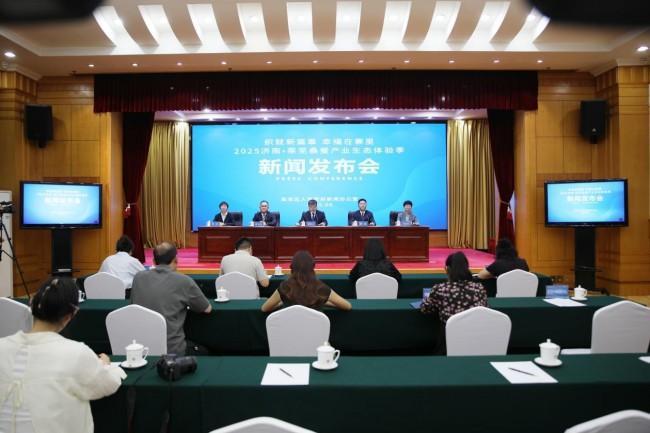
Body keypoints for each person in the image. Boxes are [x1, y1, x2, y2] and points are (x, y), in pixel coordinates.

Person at [0, 277, 124, 433]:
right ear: (70, 315)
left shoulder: (2, 346)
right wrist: (105, 365)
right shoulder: (75, 353)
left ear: (32, 304)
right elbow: (107, 384)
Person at [130, 242, 212, 355]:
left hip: (139, 348)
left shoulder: (138, 278)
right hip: (172, 350)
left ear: (153, 261)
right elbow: (207, 309)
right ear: (176, 260)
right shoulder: (184, 280)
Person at [261, 251, 351, 312]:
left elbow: (264, 308)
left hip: (289, 332)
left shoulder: (284, 287)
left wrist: (282, 303)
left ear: (292, 267)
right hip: (315, 333)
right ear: (312, 267)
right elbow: (347, 306)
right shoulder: (321, 287)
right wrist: (324, 301)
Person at [420, 252, 487, 322]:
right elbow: (485, 308)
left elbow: (425, 309)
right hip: (474, 327)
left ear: (447, 269)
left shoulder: (440, 289)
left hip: (449, 329)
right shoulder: (479, 288)